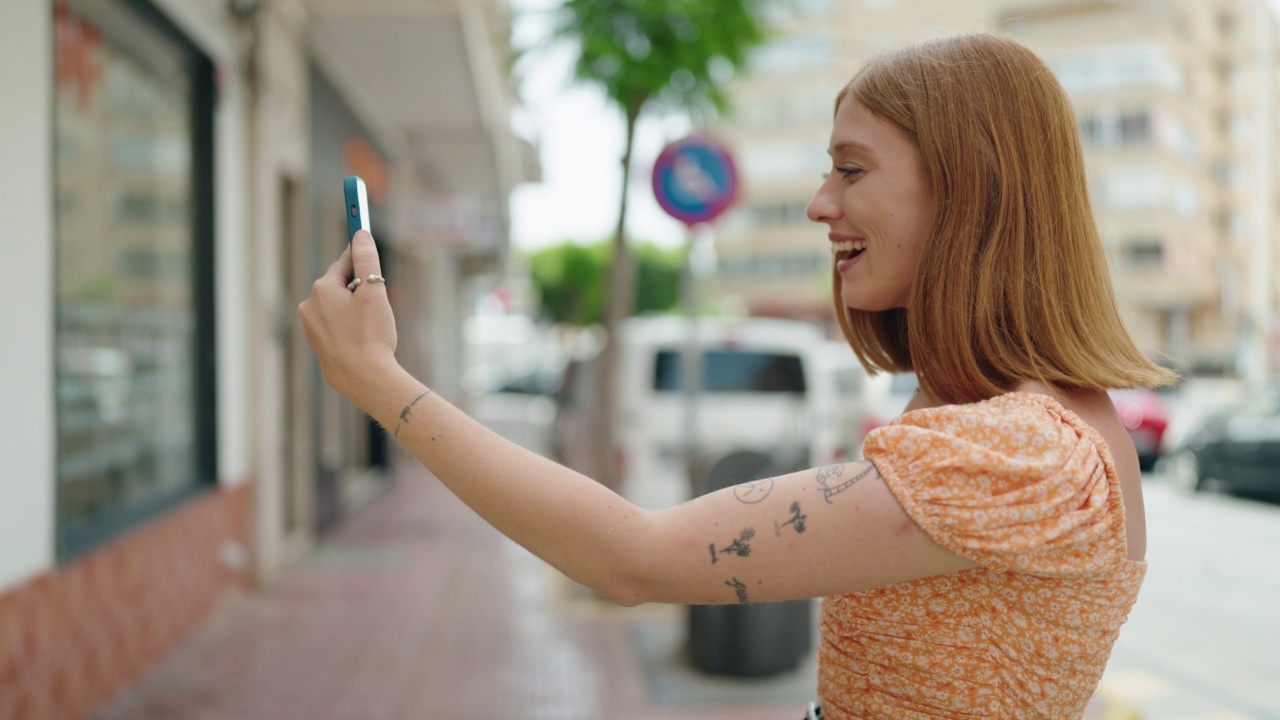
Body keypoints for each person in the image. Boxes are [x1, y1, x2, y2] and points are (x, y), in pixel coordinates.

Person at [299, 32, 1175, 720]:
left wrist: (379, 379)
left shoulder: (1018, 454)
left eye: (852, 167)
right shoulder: (1034, 421)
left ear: (968, 188)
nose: (819, 202)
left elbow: (632, 560)